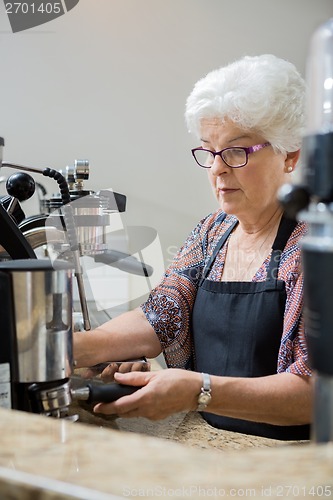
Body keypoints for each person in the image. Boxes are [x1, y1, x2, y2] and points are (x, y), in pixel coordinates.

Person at [74, 54, 312, 440]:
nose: (217, 169)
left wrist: (198, 391)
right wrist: (72, 348)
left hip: (293, 462)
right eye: (209, 151)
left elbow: (316, 391)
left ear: (290, 154)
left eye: (236, 151)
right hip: (211, 444)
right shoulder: (211, 232)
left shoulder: (313, 246)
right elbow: (161, 315)